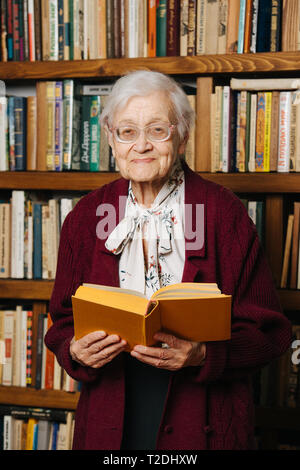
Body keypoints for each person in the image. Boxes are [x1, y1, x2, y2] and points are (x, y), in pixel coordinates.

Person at [45, 70, 291, 450]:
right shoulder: (85, 216)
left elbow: (271, 335)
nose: (141, 145)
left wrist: (204, 355)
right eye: (127, 131)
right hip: (110, 414)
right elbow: (61, 322)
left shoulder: (224, 213)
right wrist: (73, 350)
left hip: (203, 414)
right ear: (111, 138)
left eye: (157, 130)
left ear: (182, 136)